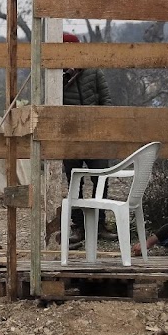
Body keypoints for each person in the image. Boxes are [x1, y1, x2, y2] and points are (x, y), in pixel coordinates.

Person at [61, 32, 117, 243]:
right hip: (71, 138)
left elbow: (106, 99)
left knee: (101, 179)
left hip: (96, 135)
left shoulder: (93, 71)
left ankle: (100, 224)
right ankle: (78, 228)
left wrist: (102, 123)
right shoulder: (54, 76)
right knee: (74, 182)